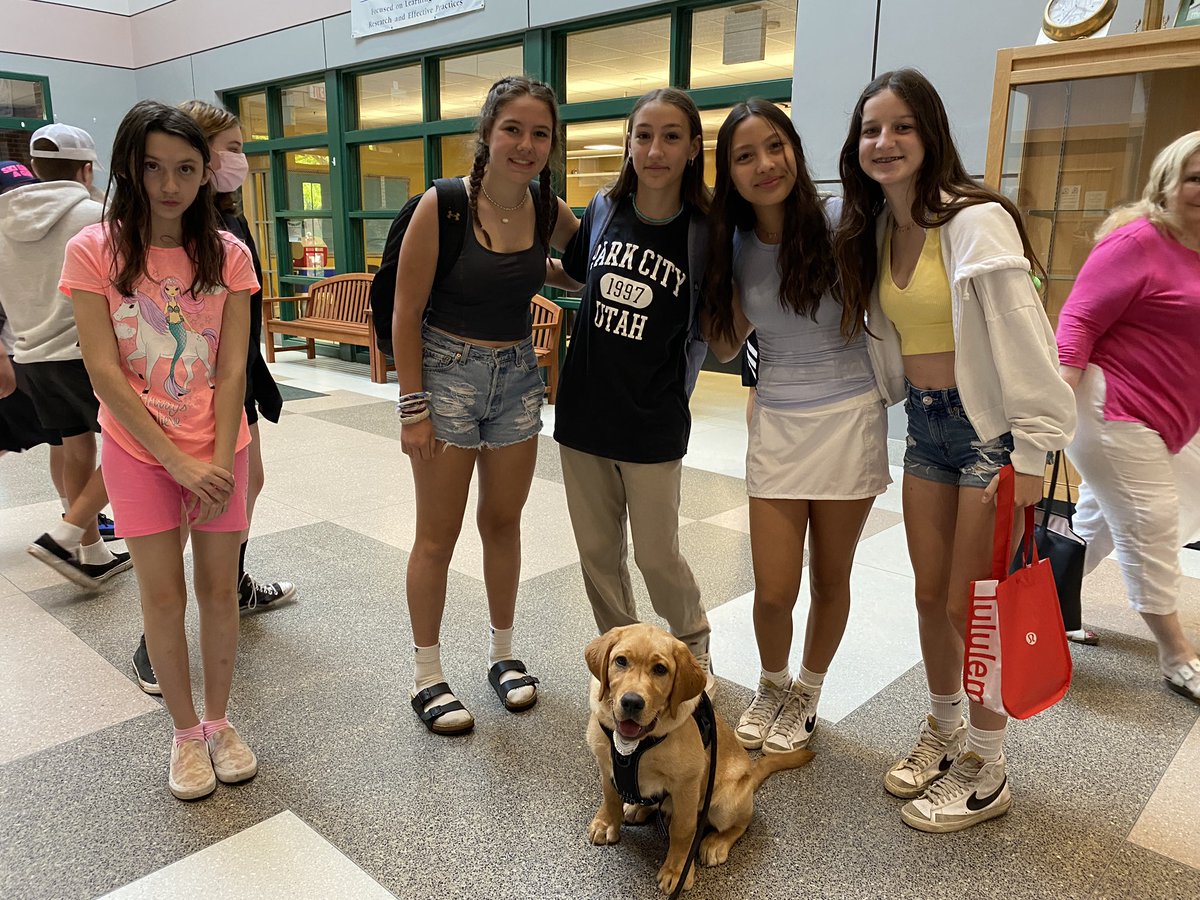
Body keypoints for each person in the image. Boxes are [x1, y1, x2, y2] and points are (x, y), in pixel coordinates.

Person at [833, 68, 1075, 832]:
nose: (885, 141)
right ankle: (945, 732)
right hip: (928, 430)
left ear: (931, 133)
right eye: (872, 129)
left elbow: (1028, 342)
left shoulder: (974, 220)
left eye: (901, 126)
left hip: (990, 437)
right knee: (930, 595)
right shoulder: (879, 227)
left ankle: (988, 766)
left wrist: (1032, 457)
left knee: (980, 610)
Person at [61, 100, 260, 800]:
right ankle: (183, 734)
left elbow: (233, 367)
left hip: (220, 448)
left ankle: (219, 721)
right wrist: (175, 460)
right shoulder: (94, 250)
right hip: (140, 452)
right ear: (129, 168)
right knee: (163, 596)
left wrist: (216, 451)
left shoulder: (228, 255)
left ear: (206, 173)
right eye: (153, 167)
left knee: (219, 593)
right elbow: (104, 371)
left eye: (185, 168)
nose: (169, 184)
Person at [702, 100, 891, 753]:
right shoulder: (734, 245)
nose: (764, 165)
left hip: (848, 416)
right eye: (745, 155)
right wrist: (697, 278)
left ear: (795, 151)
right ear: (729, 173)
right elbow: (725, 342)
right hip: (778, 421)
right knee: (774, 588)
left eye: (774, 147)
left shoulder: (845, 221)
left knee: (829, 577)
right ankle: (773, 682)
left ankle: (807, 690)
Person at [393, 76, 576, 735]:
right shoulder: (443, 206)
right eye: (513, 130)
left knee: (503, 523)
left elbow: (582, 266)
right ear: (487, 134)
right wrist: (413, 409)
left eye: (540, 134)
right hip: (446, 375)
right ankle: (427, 673)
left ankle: (502, 654)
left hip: (518, 378)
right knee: (436, 535)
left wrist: (547, 270)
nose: (526, 145)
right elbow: (405, 312)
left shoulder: (547, 207)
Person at [549, 88, 714, 692]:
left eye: (672, 136)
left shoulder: (705, 230)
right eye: (643, 135)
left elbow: (719, 324)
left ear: (694, 147)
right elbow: (572, 270)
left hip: (654, 421)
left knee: (655, 555)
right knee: (597, 554)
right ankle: (624, 666)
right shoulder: (603, 209)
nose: (655, 149)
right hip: (585, 414)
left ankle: (694, 647)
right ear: (628, 142)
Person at [1056, 130, 1200, 704]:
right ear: (1168, 182)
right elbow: (1079, 319)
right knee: (1150, 519)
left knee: (1099, 522)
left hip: (1173, 415)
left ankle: (1044, 603)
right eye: (1195, 178)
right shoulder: (1138, 241)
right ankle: (1177, 654)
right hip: (1114, 407)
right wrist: (1056, 400)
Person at [0, 130, 132, 588]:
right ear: (88, 169)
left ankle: (92, 551)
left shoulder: (1, 219)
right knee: (132, 445)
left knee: (70, 445)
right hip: (85, 353)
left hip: (29, 354)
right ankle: (67, 533)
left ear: (35, 169)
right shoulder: (96, 215)